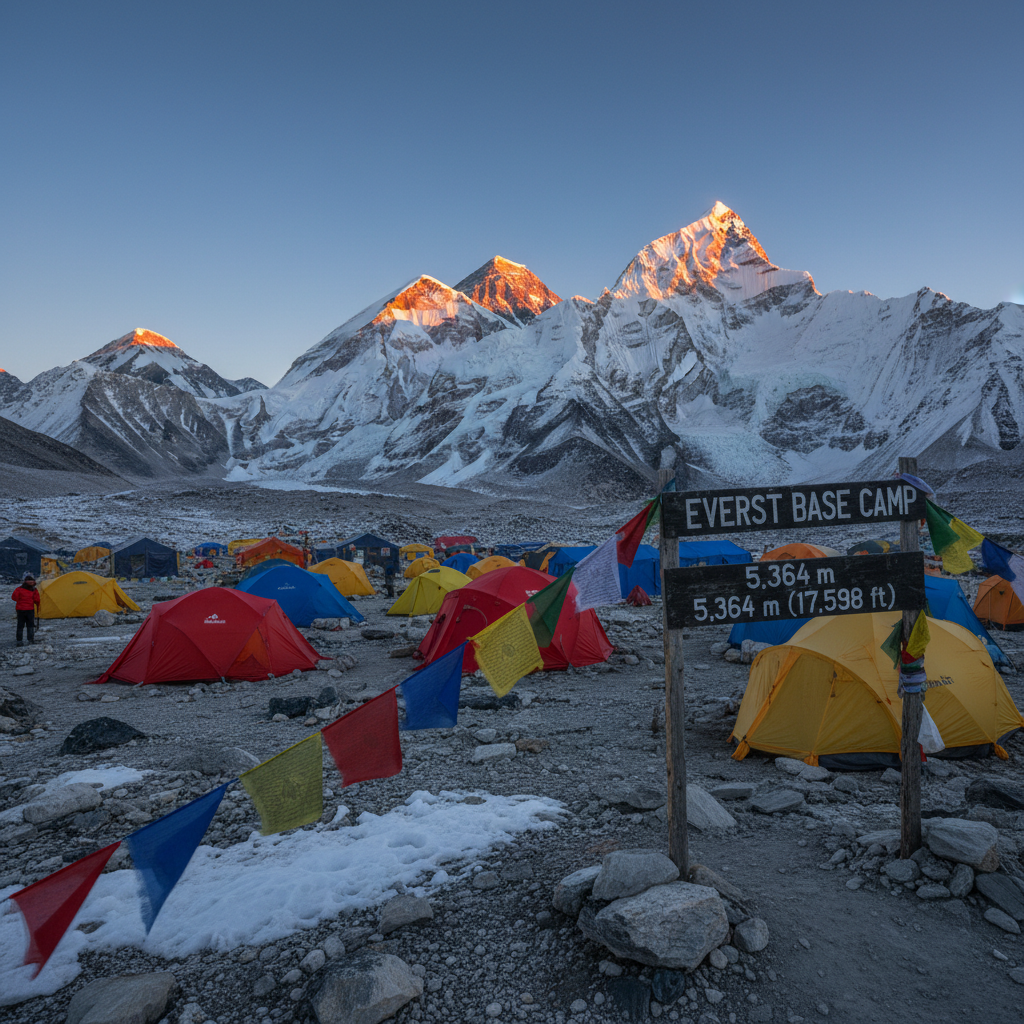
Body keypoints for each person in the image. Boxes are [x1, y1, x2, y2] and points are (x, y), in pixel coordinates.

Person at [12, 573, 41, 645]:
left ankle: (19, 641)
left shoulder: (19, 589)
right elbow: (37, 600)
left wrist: (20, 601)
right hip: (30, 609)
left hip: (20, 609)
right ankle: (30, 640)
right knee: (30, 625)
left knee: (20, 625)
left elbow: (14, 597)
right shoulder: (34, 590)